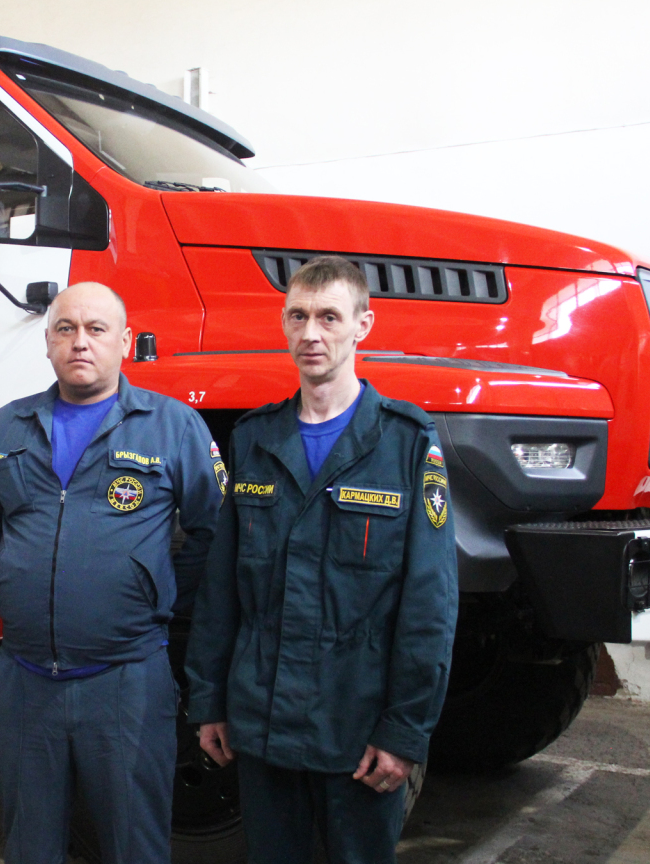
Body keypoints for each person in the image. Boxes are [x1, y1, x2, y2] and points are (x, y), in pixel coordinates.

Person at [184, 256, 458, 864]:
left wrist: (405, 731)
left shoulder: (407, 443)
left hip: (355, 732)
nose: (311, 333)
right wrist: (209, 701)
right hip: (261, 723)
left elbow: (430, 605)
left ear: (363, 325)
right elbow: (221, 590)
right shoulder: (254, 439)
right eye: (298, 316)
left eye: (329, 317)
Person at [0, 282, 225, 864]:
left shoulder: (172, 425)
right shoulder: (7, 426)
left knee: (135, 846)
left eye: (96, 329)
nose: (80, 342)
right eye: (66, 329)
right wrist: (9, 583)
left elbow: (213, 533)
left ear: (124, 342)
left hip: (126, 682)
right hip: (24, 683)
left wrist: (157, 591)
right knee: (30, 847)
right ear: (47, 341)